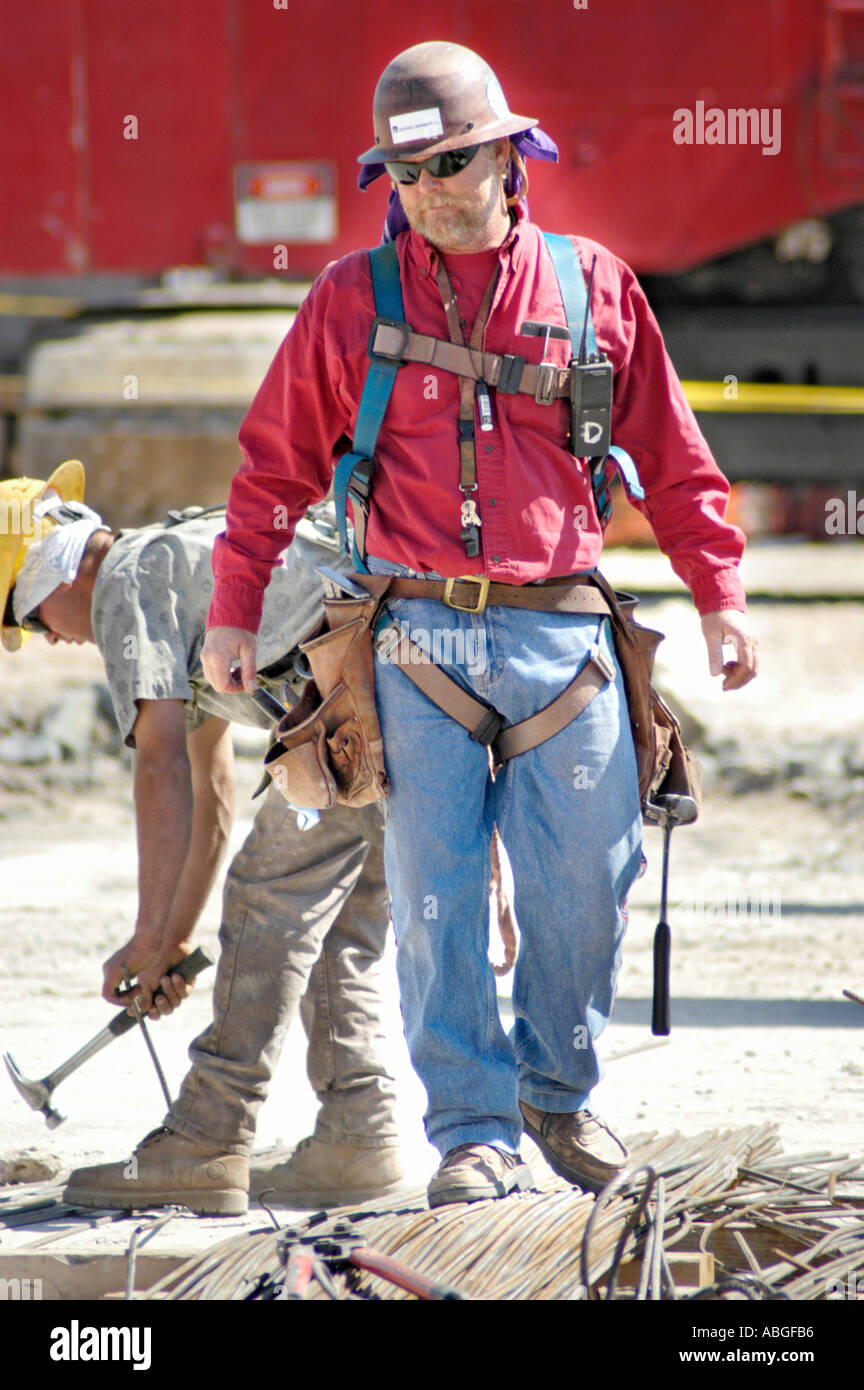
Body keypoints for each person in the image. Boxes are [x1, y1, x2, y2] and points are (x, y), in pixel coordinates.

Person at [199, 42, 758, 1209]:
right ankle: (473, 1129)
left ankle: (558, 1090)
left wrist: (721, 597)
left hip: (566, 640)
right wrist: (233, 613)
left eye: (453, 162)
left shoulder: (593, 284)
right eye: (405, 175)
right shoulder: (349, 300)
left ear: (511, 153)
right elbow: (270, 474)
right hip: (413, 645)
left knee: (588, 886)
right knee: (436, 896)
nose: (431, 191)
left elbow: (674, 458)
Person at [0, 461, 403, 1214]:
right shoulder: (175, 558)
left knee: (268, 899)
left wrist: (149, 935)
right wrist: (168, 942)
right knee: (339, 928)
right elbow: (211, 786)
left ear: (48, 579)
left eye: (26, 622)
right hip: (398, 700)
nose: (46, 643)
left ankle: (208, 1138)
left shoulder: (125, 583)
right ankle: (358, 1133)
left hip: (362, 703)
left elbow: (161, 772)